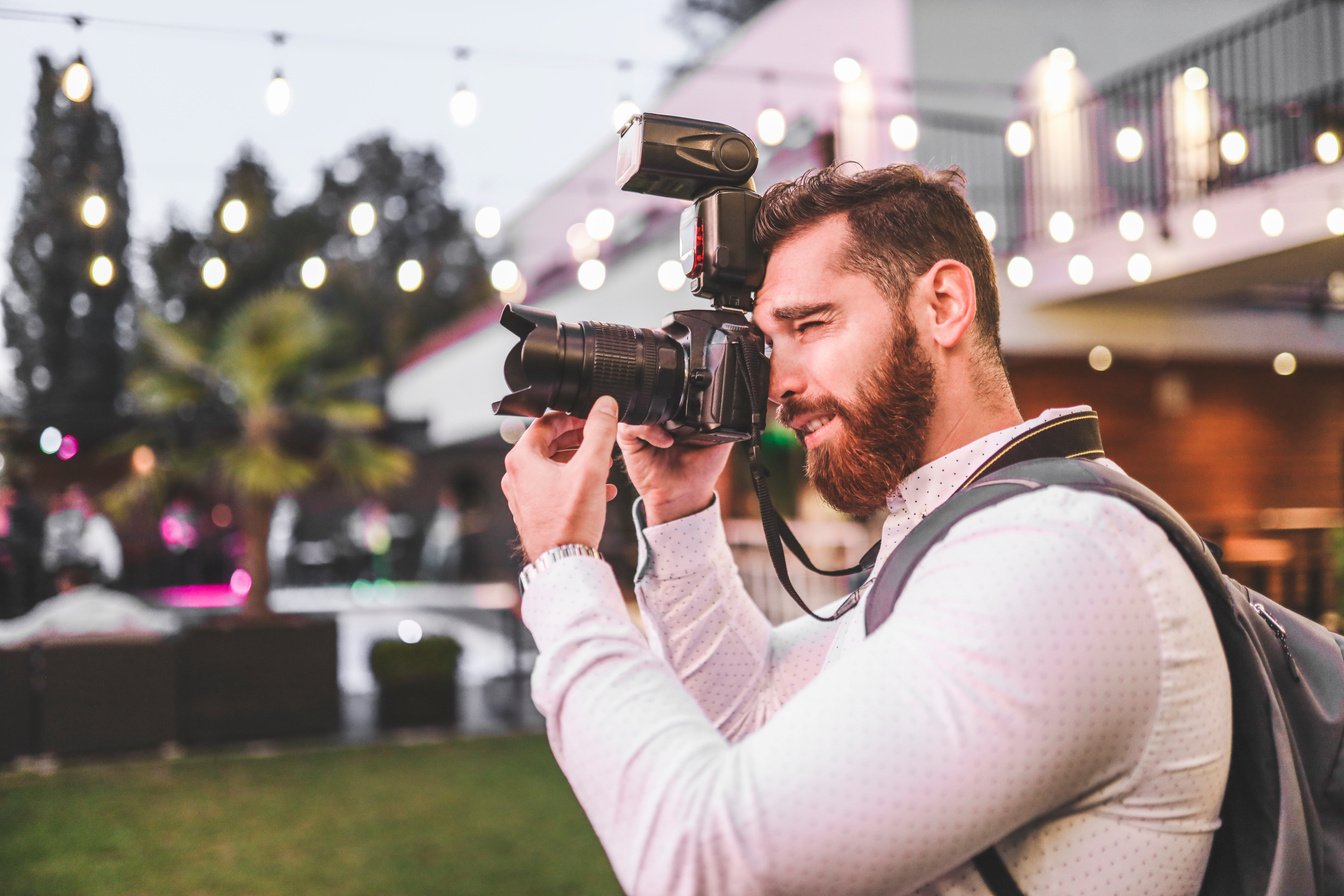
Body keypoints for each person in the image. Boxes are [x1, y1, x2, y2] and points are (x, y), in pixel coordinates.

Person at [500, 164, 1232, 895]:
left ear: (944, 304)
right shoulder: (971, 526)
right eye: (767, 344)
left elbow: (709, 863)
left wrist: (563, 569)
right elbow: (752, 714)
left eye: (810, 325)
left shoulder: (1065, 559)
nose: (778, 384)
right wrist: (682, 509)